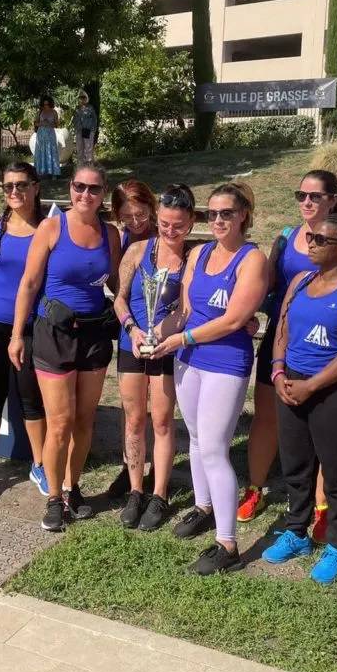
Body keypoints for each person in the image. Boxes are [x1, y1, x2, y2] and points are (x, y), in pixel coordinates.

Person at [150, 183, 268, 575]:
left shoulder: (252, 260)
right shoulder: (198, 253)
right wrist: (152, 331)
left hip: (225, 361)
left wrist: (179, 338)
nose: (217, 220)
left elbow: (235, 320)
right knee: (197, 438)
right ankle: (203, 507)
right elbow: (184, 310)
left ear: (243, 216)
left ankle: (228, 543)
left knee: (216, 448)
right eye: (211, 214)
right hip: (187, 358)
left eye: (226, 214)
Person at [262, 215, 337, 584]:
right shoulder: (300, 281)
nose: (309, 242)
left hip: (333, 392)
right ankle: (296, 532)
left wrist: (311, 386)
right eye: (310, 237)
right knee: (295, 466)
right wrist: (279, 372)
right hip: (291, 385)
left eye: (320, 239)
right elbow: (281, 329)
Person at [10, 163, 121, 531]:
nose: (85, 195)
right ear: (70, 188)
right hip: (54, 334)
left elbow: (119, 285)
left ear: (104, 193)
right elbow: (28, 284)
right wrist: (15, 334)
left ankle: (74, 488)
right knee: (59, 424)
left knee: (83, 420)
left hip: (93, 337)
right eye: (79, 187)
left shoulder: (111, 234)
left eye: (94, 189)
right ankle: (54, 496)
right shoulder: (52, 227)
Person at [240, 169, 337, 530]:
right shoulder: (285, 237)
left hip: (323, 346)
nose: (306, 202)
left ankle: (320, 505)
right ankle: (256, 487)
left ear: (332, 199)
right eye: (301, 196)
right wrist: (246, 316)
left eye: (315, 196)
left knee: (319, 428)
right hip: (280, 340)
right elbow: (266, 285)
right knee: (266, 416)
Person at [112, 184, 194, 530]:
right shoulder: (136, 250)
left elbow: (188, 308)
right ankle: (135, 489)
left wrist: (161, 333)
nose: (170, 231)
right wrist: (132, 329)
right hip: (132, 342)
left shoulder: (193, 258)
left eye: (177, 225)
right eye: (164, 224)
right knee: (133, 420)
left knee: (161, 421)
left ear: (189, 223)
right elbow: (119, 299)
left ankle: (159, 493)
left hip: (166, 346)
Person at [0, 162, 48, 501]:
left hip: (30, 326)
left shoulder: (49, 229)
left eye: (21, 185)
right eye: (8, 187)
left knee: (32, 398)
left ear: (35, 187)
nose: (14, 192)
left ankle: (40, 463)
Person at [107, 178, 159, 498]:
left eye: (141, 215)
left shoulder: (164, 236)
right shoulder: (122, 239)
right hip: (129, 329)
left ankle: (155, 468)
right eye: (128, 218)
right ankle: (131, 467)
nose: (136, 223)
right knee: (132, 408)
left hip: (162, 335)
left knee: (160, 408)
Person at [112, 179, 157, 253]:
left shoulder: (162, 239)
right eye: (127, 216)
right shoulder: (118, 239)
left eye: (140, 214)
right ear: (118, 214)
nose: (135, 223)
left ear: (150, 207)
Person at [33, 95, 61, 178]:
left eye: (47, 104)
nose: (46, 106)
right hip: (41, 133)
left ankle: (53, 173)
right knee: (41, 152)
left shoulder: (54, 112)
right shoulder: (40, 112)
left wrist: (49, 123)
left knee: (51, 151)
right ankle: (41, 172)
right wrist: (42, 123)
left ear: (50, 104)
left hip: (50, 133)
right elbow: (35, 123)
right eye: (44, 104)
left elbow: (57, 124)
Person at [72, 91, 98, 168]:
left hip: (88, 130)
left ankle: (89, 166)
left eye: (84, 98)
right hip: (79, 131)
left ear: (87, 99)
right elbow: (75, 120)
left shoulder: (90, 108)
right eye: (80, 98)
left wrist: (93, 130)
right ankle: (80, 167)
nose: (82, 99)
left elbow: (94, 119)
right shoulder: (77, 109)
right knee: (79, 148)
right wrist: (76, 128)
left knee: (88, 148)